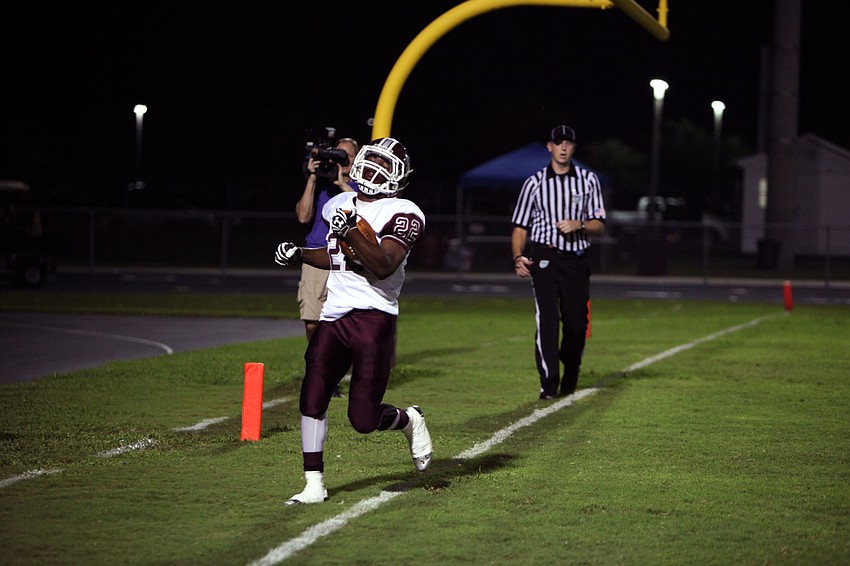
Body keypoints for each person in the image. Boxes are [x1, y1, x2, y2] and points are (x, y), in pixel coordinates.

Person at [274, 137, 432, 505]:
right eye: (371, 158)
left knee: (362, 419)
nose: (375, 167)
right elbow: (334, 256)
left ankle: (409, 420)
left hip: (374, 318)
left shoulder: (405, 212)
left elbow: (382, 265)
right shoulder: (340, 204)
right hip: (334, 315)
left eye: (383, 162)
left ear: (399, 176)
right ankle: (314, 483)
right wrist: (301, 254)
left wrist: (350, 231)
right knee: (312, 394)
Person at [510, 125, 607, 400]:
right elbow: (520, 225)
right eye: (558, 142)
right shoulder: (534, 183)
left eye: (568, 143)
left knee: (576, 324)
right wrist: (518, 256)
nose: (563, 147)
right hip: (545, 258)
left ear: (574, 147)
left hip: (576, 259)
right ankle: (549, 385)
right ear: (549, 147)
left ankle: (571, 368)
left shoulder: (588, 180)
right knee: (547, 321)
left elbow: (599, 224)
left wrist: (581, 225)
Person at [295, 136, 360, 397]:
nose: (341, 163)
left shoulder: (357, 186)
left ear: (355, 160)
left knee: (348, 325)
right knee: (312, 321)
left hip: (345, 259)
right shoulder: (321, 186)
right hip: (316, 257)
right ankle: (321, 367)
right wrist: (312, 178)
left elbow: (364, 212)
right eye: (337, 157)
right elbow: (303, 216)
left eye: (346, 158)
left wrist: (342, 182)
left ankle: (332, 373)